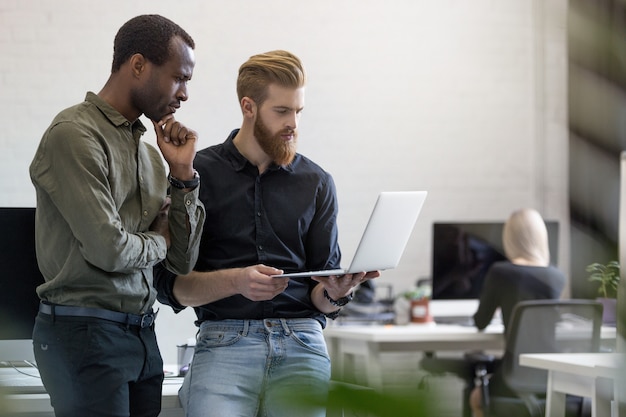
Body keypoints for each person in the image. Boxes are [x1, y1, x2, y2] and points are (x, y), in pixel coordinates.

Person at [154, 50, 380, 417]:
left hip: (302, 338)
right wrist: (236, 282)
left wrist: (336, 295)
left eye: (298, 111)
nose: (293, 123)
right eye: (282, 111)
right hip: (225, 339)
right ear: (249, 107)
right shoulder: (197, 175)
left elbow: (321, 295)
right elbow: (169, 286)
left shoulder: (317, 182)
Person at [29, 15, 205, 417]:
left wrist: (183, 176)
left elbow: (181, 263)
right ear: (138, 65)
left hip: (142, 335)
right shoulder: (74, 134)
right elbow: (108, 250)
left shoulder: (150, 156)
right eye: (179, 77)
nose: (184, 94)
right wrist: (159, 240)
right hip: (84, 332)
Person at [468, 208, 566, 417]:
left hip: (514, 375)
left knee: (477, 397)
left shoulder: (501, 272)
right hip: (551, 375)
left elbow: (480, 322)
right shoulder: (557, 276)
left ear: (510, 239)